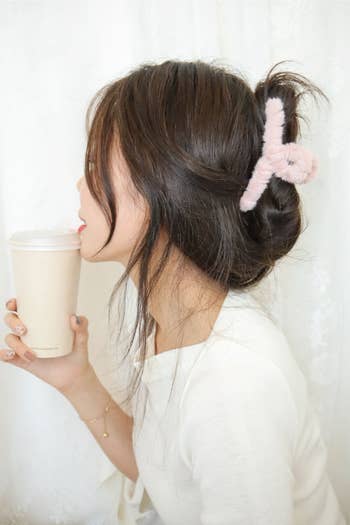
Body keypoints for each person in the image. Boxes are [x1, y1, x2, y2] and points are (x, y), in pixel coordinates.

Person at [1, 59, 347, 525]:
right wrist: (75, 378)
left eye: (95, 163)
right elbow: (166, 475)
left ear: (166, 184)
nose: (80, 185)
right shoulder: (181, 322)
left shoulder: (233, 381)